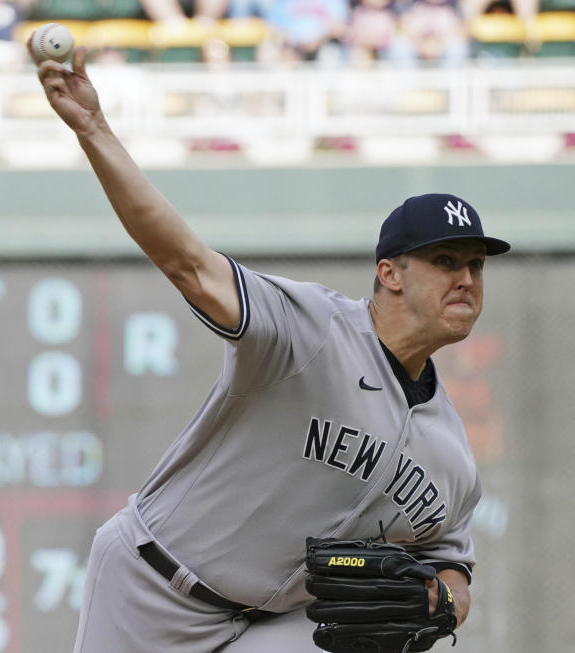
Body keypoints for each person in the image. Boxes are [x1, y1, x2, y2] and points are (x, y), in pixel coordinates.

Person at [30, 41, 510, 653]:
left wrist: (445, 598)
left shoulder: (452, 460)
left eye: (475, 265)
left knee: (413, 642)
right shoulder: (308, 330)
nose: (466, 278)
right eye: (445, 262)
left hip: (276, 630)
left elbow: (453, 568)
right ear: (390, 273)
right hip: (152, 590)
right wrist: (94, 129)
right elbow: (188, 264)